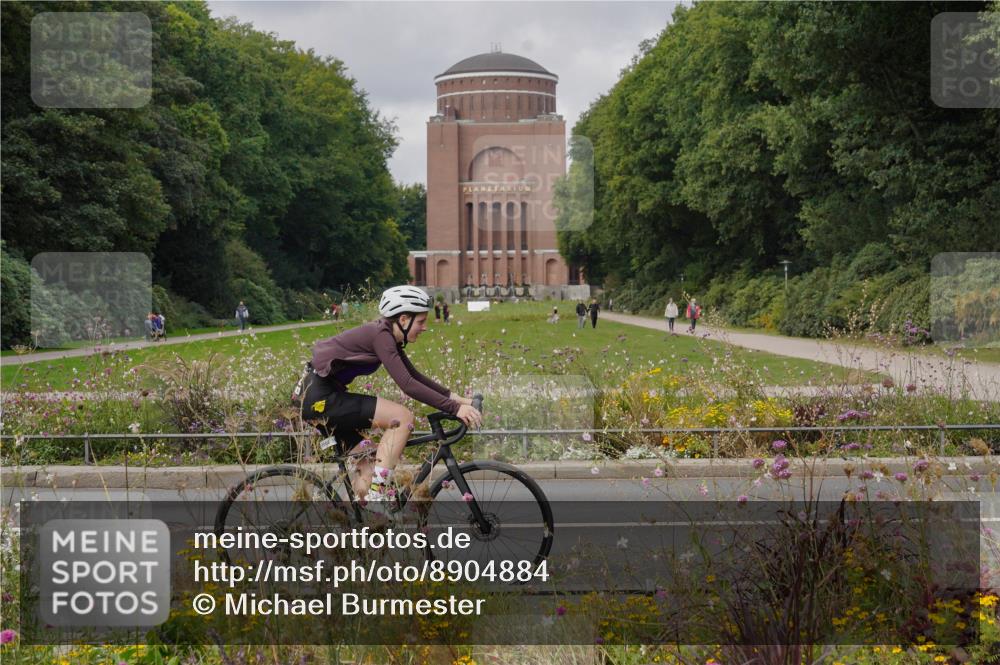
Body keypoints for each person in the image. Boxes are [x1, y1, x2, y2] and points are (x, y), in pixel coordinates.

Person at [301, 285, 482, 510]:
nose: (425, 327)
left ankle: (352, 528)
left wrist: (457, 399)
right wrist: (454, 409)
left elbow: (414, 376)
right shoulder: (381, 335)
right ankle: (379, 494)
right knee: (402, 416)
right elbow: (407, 385)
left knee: (368, 468)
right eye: (421, 321)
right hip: (321, 398)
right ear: (404, 319)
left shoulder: (387, 335)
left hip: (320, 397)